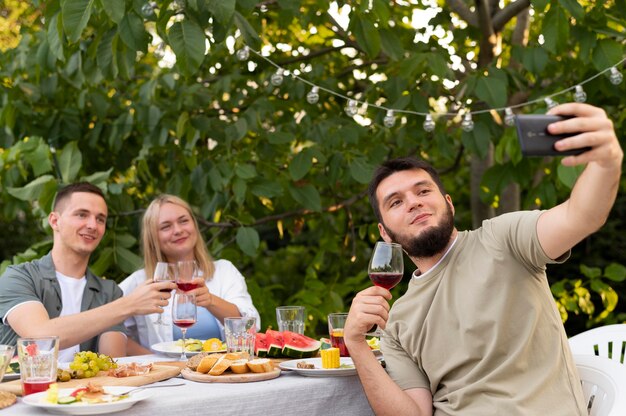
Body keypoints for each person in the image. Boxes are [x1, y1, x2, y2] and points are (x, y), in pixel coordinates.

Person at [344, 103, 623, 416]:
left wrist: (606, 162)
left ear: (448, 203)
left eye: (423, 191)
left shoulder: (503, 240)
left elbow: (581, 216)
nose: (414, 203)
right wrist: (356, 343)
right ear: (385, 232)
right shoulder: (396, 322)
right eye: (396, 202)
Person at [0, 182, 175, 361]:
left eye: (100, 219)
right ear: (54, 221)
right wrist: (129, 304)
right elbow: (40, 335)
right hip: (21, 388)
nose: (93, 225)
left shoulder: (109, 292)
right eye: (81, 214)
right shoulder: (19, 277)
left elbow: (111, 364)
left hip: (85, 388)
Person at [119, 194, 260, 352]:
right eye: (166, 226)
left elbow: (250, 327)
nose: (178, 230)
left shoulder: (224, 271)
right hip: (167, 376)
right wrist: (152, 360)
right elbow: (108, 325)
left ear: (194, 225)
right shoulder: (141, 282)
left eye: (183, 221)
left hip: (218, 372)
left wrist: (210, 301)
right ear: (153, 238)